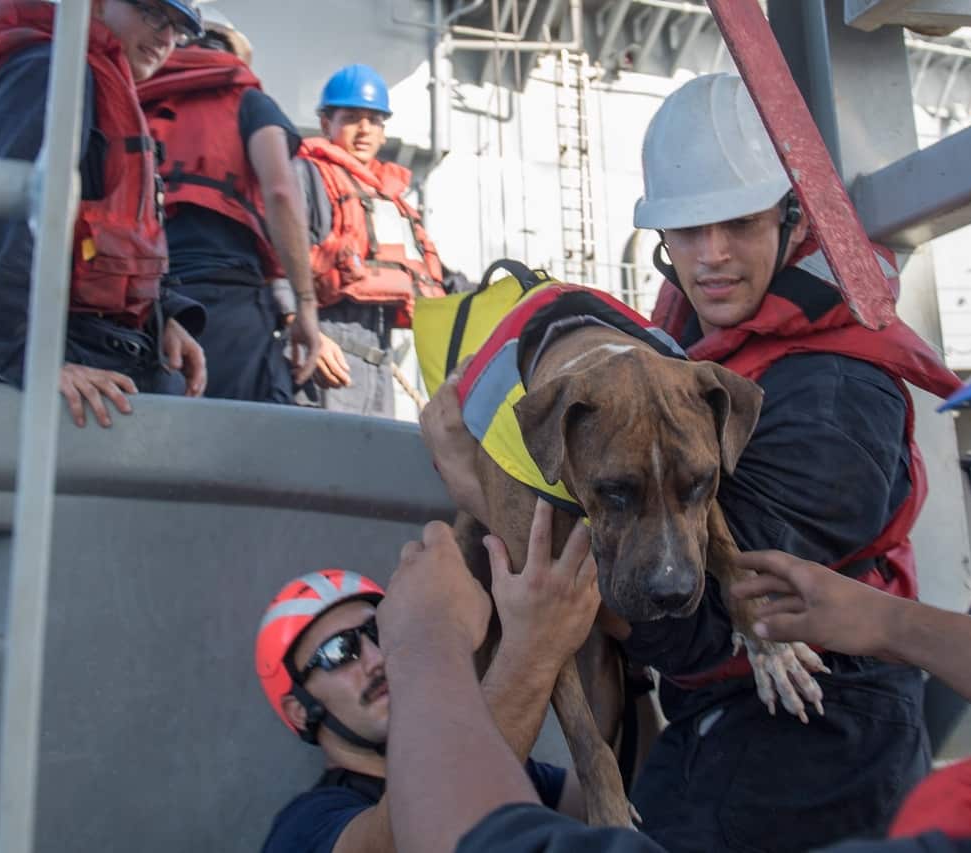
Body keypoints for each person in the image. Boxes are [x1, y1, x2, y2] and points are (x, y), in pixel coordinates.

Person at [377, 90, 971, 853]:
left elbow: (686, 614)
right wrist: (895, 622)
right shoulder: (688, 359)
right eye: (689, 230)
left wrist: (432, 633)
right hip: (720, 719)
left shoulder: (835, 391)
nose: (713, 253)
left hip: (810, 730)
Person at [256, 499, 599, 852]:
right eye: (339, 652)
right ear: (301, 710)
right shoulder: (305, 827)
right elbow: (411, 838)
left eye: (378, 632)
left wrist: (628, 668)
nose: (376, 658)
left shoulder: (512, 765)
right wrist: (535, 648)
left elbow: (623, 806)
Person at [0, 0, 208, 428]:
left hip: (108, 350)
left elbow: (112, 229)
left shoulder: (96, 78)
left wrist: (162, 317)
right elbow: (9, 220)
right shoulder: (48, 73)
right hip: (61, 359)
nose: (166, 38)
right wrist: (28, 361)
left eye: (178, 29)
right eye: (152, 14)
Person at [137, 6, 320, 403]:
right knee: (247, 442)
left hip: (143, 298)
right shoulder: (248, 99)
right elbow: (282, 192)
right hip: (226, 298)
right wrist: (305, 304)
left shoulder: (135, 95)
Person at [294, 63, 450, 417]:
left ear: (383, 131)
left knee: (372, 461)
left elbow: (433, 276)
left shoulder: (390, 200)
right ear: (325, 124)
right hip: (327, 352)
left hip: (379, 365)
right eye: (351, 117)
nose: (364, 129)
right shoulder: (307, 176)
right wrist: (302, 330)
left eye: (374, 120)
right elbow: (280, 258)